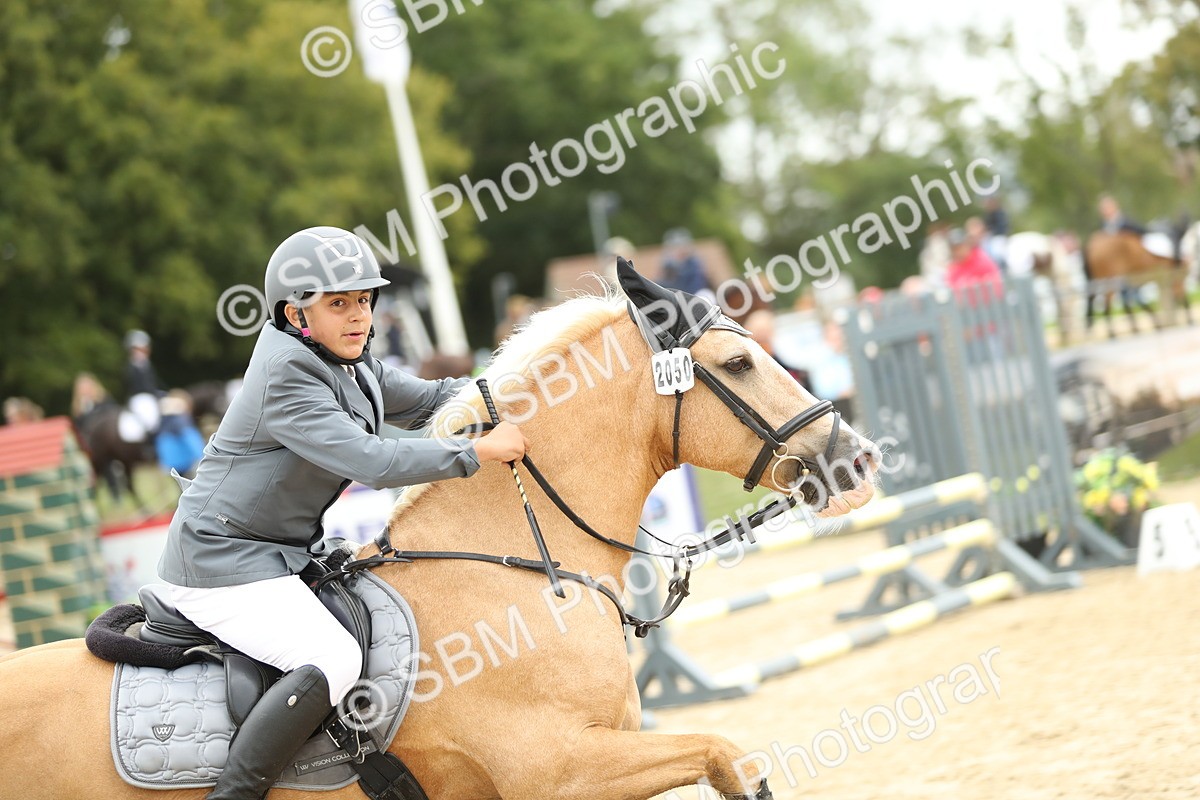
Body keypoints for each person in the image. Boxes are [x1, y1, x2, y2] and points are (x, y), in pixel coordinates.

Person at [156, 226, 529, 800]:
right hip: (221, 564)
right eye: (338, 304)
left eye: (363, 300)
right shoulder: (287, 372)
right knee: (332, 655)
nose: (359, 317)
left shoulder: (350, 361)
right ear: (295, 314)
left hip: (273, 555)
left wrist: (525, 383)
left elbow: (434, 399)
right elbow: (372, 459)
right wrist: (474, 451)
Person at [123, 329, 163, 440]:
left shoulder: (147, 365)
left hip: (151, 396)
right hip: (140, 398)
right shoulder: (132, 367)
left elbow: (155, 383)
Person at [659, 228, 710, 296]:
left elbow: (697, 284)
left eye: (682, 247)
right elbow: (664, 284)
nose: (679, 251)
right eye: (675, 248)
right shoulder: (668, 266)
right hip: (674, 298)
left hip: (693, 296)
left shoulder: (693, 264)